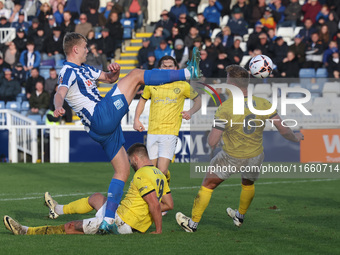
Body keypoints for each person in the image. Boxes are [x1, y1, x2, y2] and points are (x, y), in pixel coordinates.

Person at [53, 32, 201, 234]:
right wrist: (58, 107)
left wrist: (114, 73)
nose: (88, 49)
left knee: (122, 172)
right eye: (85, 46)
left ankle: (107, 220)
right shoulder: (67, 71)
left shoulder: (85, 69)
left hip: (102, 128)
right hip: (100, 116)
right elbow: (59, 92)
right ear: (76, 49)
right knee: (137, 75)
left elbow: (108, 79)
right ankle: (187, 73)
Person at [175, 65, 304, 232]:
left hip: (232, 156)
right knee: (248, 184)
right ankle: (239, 216)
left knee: (207, 185)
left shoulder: (226, 108)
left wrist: (213, 141)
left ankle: (192, 224)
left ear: (232, 84)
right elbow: (284, 129)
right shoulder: (263, 103)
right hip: (256, 155)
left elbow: (212, 140)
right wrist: (295, 138)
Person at [4, 143, 173, 235]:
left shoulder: (141, 174)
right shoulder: (159, 174)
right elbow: (168, 204)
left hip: (122, 222)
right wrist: (145, 216)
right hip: (124, 215)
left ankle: (25, 231)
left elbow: (154, 204)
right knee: (96, 198)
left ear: (136, 158)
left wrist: (157, 230)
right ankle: (57, 209)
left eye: (131, 161)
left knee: (71, 226)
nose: (131, 164)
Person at [133, 55, 201, 184]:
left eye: (170, 66)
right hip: (152, 131)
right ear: (159, 68)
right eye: (165, 66)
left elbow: (198, 101)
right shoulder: (152, 83)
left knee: (161, 171)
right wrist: (136, 119)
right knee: (150, 171)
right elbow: (142, 102)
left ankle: (165, 181)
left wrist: (190, 112)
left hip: (170, 132)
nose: (168, 68)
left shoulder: (183, 85)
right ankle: (161, 192)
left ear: (176, 68)